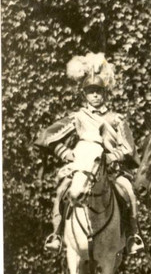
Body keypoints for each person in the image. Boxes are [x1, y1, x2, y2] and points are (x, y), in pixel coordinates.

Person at [36, 53, 144, 254]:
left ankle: (132, 236)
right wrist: (66, 154)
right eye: (90, 92)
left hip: (110, 171)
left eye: (98, 91)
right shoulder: (77, 118)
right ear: (84, 95)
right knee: (62, 191)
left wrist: (112, 157)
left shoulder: (116, 119)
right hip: (83, 169)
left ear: (105, 94)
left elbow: (129, 148)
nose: (95, 95)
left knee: (128, 191)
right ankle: (57, 236)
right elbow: (48, 137)